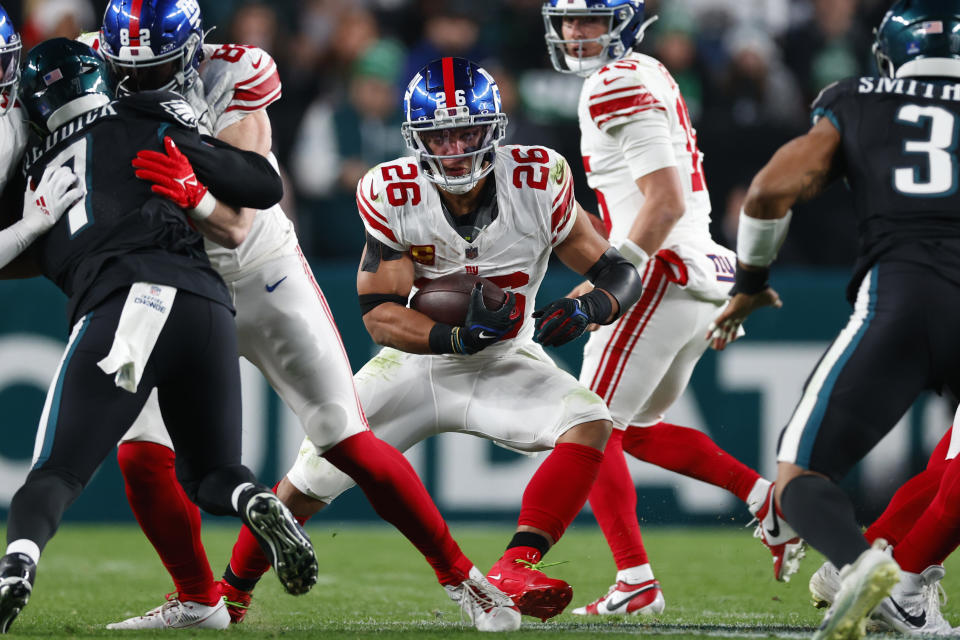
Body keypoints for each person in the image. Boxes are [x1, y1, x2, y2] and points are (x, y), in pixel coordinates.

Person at [91, 1, 519, 632]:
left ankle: (469, 584)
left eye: (159, 66)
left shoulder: (234, 75)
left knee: (344, 438)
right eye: (133, 71)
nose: (144, 84)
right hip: (171, 280)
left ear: (192, 49)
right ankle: (198, 599)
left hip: (259, 273)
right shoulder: (96, 77)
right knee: (138, 451)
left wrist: (191, 191)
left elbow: (236, 226)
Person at [218, 56, 644, 623]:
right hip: (417, 361)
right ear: (418, 139)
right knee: (311, 475)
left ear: (493, 130)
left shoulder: (538, 179)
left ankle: (515, 564)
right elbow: (379, 315)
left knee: (589, 421)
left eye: (467, 132)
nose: (455, 149)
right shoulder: (393, 190)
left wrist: (591, 305)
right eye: (440, 136)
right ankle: (230, 594)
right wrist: (454, 335)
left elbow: (618, 270)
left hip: (506, 357)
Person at [0, 37, 318, 634]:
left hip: (126, 306)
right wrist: (195, 175)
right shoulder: (144, 115)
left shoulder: (31, 170)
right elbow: (261, 187)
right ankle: (255, 501)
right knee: (214, 473)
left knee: (57, 474)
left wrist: (31, 225)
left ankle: (16, 564)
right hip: (204, 303)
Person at [541, 0, 802, 616]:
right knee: (633, 431)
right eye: (569, 21)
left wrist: (611, 277)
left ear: (623, 21)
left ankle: (635, 581)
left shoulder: (616, 83)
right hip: (691, 272)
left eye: (592, 20)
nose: (578, 33)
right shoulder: (647, 70)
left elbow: (663, 203)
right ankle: (763, 496)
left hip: (658, 272)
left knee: (588, 426)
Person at [710, 1, 960, 637]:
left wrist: (752, 282)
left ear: (888, 56)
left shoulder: (858, 97)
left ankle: (860, 569)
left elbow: (768, 190)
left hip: (901, 292)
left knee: (798, 477)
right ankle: (899, 583)